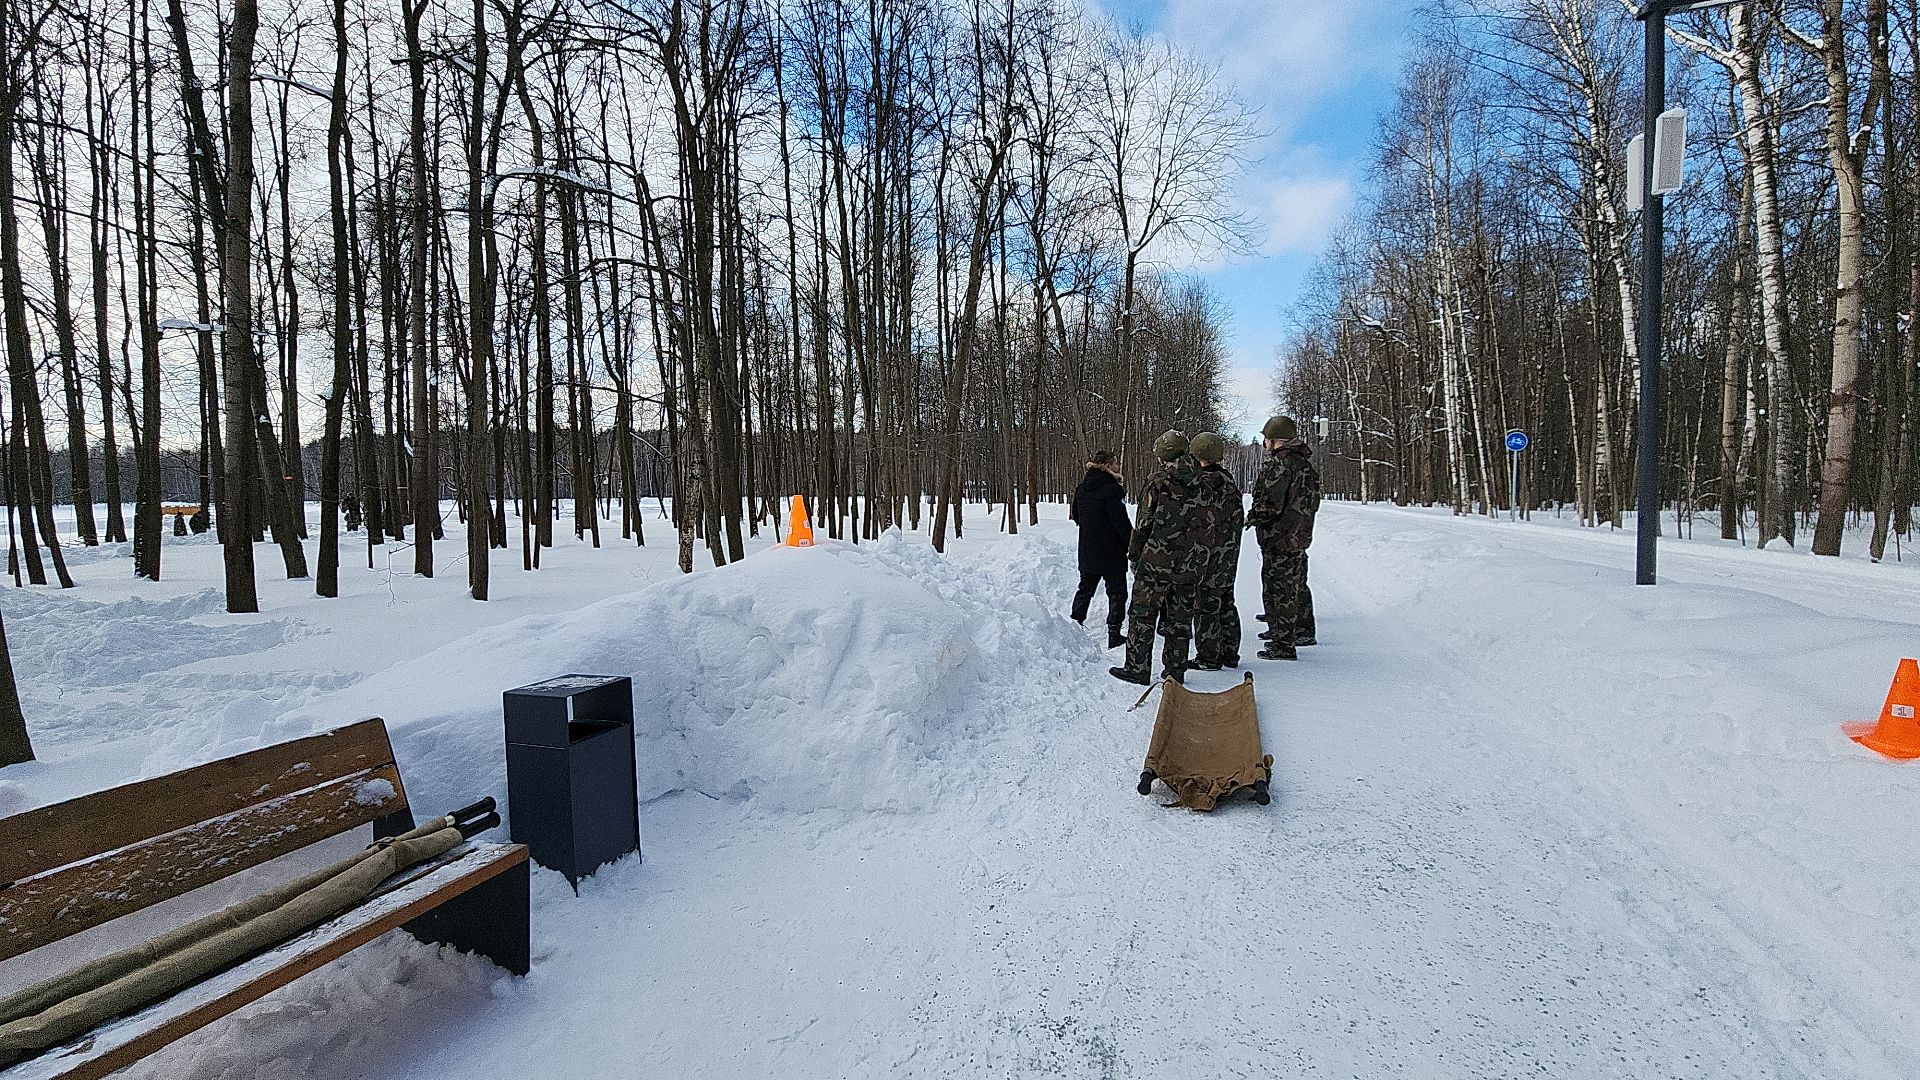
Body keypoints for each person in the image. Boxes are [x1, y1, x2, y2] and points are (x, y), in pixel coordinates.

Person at [1110, 430, 1202, 686]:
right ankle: (1175, 671)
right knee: (1180, 619)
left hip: (1156, 562)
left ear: (1162, 455)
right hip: (1190, 562)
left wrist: (1134, 555)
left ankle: (1137, 668)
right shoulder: (1203, 482)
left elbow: (1143, 523)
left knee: (1142, 615)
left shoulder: (1158, 481)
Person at [1247, 415, 1320, 661]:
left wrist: (1253, 518)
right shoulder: (1304, 465)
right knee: (1295, 585)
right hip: (1298, 535)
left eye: (1266, 438)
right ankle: (1300, 631)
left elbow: (1270, 503)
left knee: (1278, 590)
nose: (1264, 442)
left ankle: (1283, 644)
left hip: (1279, 536)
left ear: (1275, 440)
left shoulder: (1279, 465)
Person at [1185, 432, 1244, 670]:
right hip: (1228, 554)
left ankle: (1209, 658)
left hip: (1205, 556)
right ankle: (1230, 654)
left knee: (1206, 606)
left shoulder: (1198, 484)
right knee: (1226, 602)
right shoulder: (1229, 482)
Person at [1069, 450, 1132, 649]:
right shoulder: (1113, 490)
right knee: (1117, 592)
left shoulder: (1081, 489)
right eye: (1115, 464)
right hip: (1112, 551)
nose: (1118, 467)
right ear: (1105, 466)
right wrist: (1132, 542)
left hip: (1088, 549)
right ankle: (1114, 633)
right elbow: (1120, 522)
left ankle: (1074, 625)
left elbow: (1076, 516)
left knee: (1085, 588)